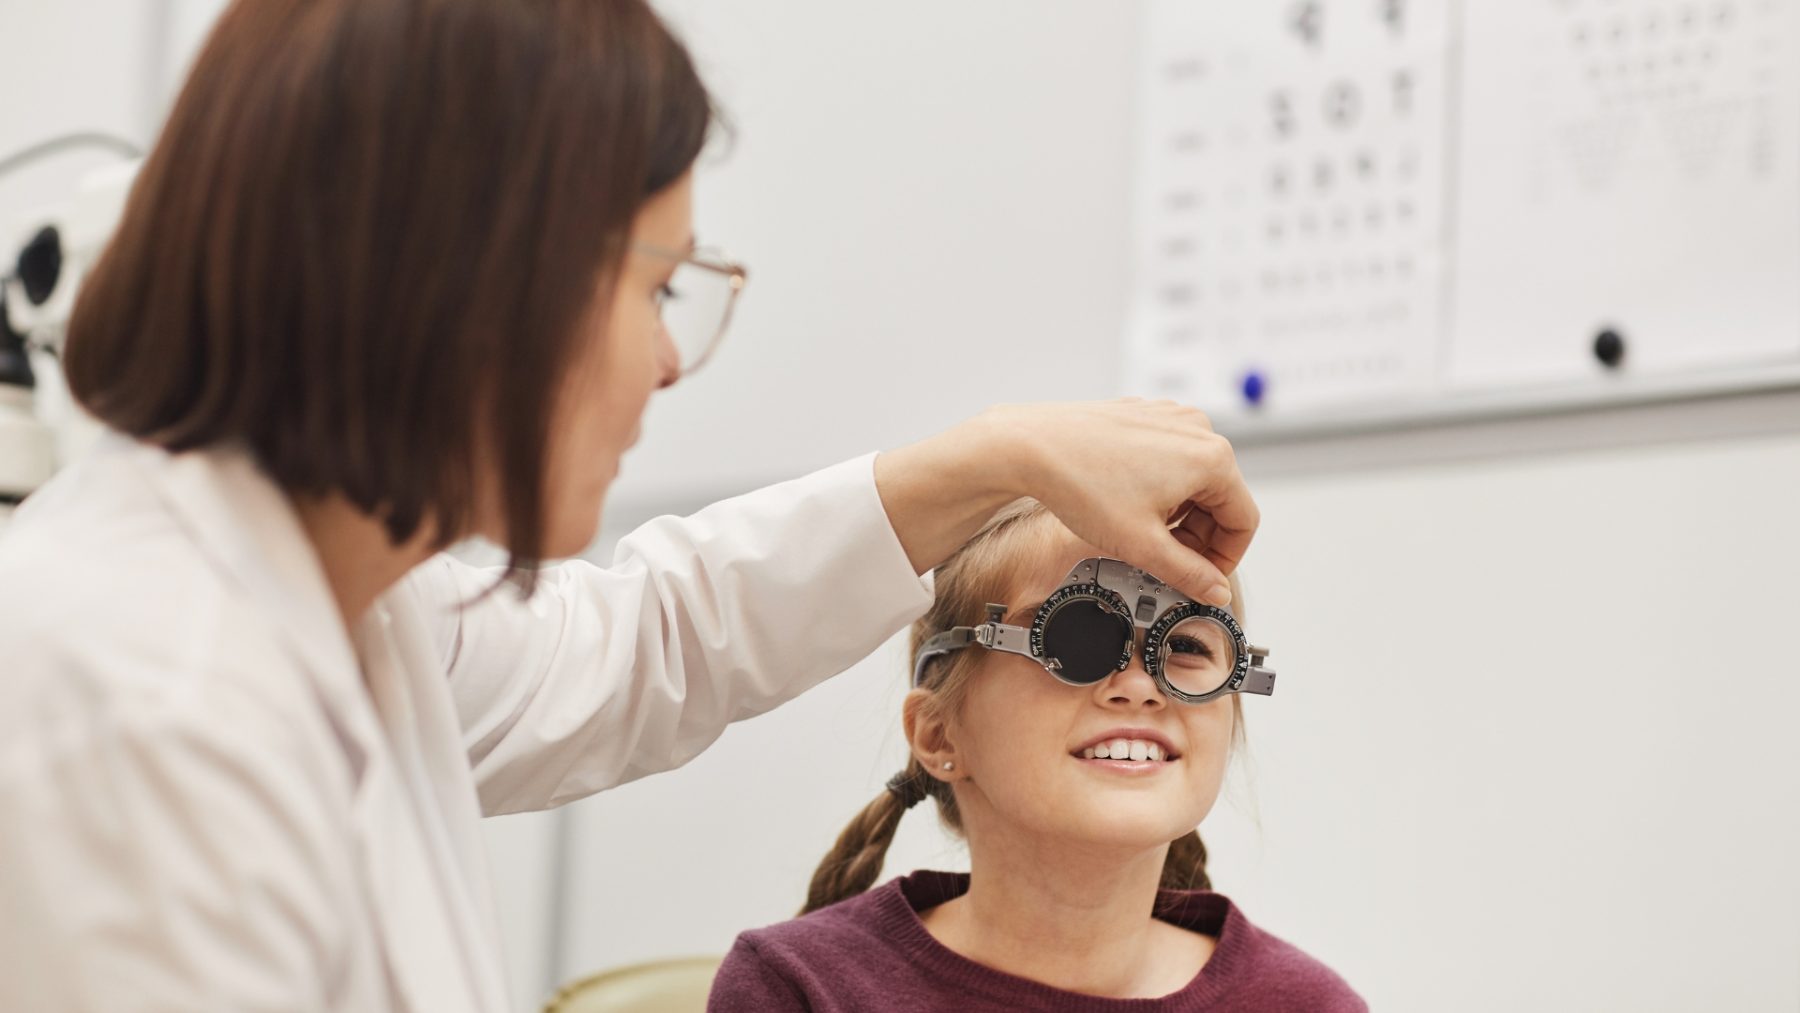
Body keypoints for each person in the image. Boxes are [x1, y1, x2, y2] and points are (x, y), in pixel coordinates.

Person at [0, 1, 1259, 1010]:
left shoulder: (351, 609)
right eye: (659, 287)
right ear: (470, 278)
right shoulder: (135, 702)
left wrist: (1003, 456)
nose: (667, 361)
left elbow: (654, 635)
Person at [709, 500, 1360, 1011]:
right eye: (1076, 636)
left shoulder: (1310, 1004)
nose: (1138, 686)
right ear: (940, 735)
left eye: (1187, 647)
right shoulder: (795, 988)